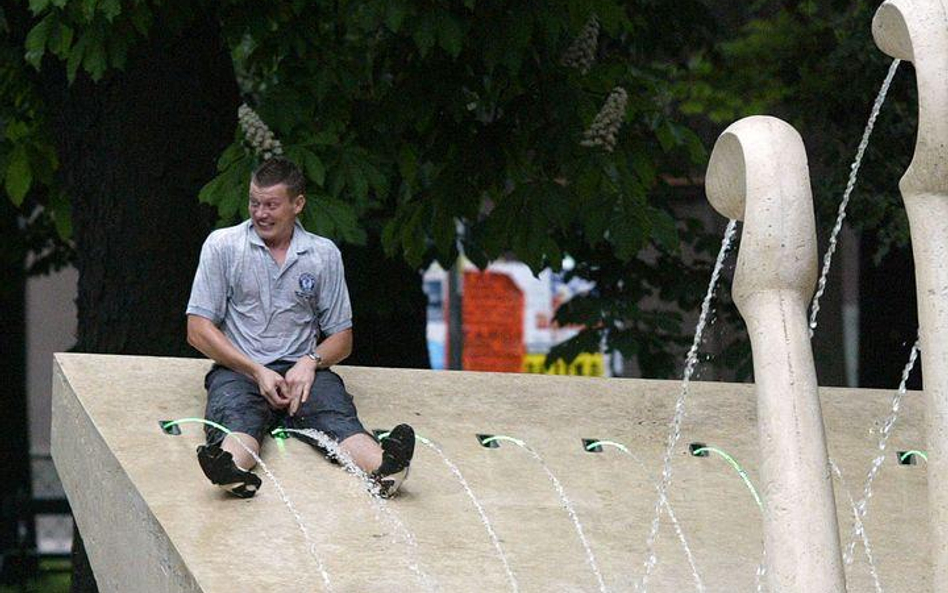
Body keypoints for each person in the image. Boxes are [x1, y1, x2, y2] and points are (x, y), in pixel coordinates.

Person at [185, 157, 414, 498]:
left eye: (271, 205)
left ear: (298, 204)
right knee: (238, 416)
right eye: (254, 203)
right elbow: (197, 329)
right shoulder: (223, 246)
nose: (260, 213)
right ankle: (230, 470)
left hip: (302, 370)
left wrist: (309, 362)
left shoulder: (323, 254)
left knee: (337, 418)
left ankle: (386, 468)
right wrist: (255, 370)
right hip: (240, 369)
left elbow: (342, 339)